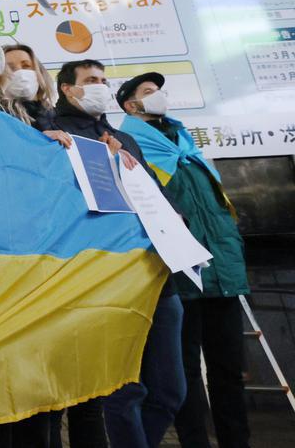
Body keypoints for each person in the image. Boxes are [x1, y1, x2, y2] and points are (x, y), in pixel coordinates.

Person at [52, 60, 186, 448]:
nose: (100, 86)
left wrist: (177, 218)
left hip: (158, 275)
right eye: (90, 80)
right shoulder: (56, 137)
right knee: (125, 393)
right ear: (67, 89)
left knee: (170, 393)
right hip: (109, 279)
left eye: (103, 80)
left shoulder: (124, 138)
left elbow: (155, 196)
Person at [116, 73, 251, 448]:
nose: (158, 96)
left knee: (229, 373)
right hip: (179, 278)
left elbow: (219, 212)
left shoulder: (188, 146)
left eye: (158, 90)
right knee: (185, 375)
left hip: (222, 275)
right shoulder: (129, 149)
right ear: (130, 106)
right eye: (147, 92)